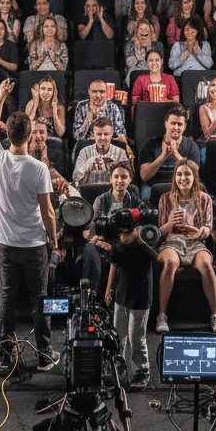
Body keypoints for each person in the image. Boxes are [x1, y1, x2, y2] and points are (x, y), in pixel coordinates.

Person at [0, 79, 58, 370]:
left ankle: (5, 355)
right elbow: (49, 211)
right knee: (40, 301)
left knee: (6, 298)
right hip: (34, 245)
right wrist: (54, 241)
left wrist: (2, 95)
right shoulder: (39, 168)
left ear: (8, 134)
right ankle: (43, 355)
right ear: (30, 136)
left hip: (5, 244)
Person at [155, 159, 216, 334]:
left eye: (187, 174)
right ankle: (162, 315)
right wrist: (171, 223)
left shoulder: (205, 198)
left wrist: (200, 230)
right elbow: (160, 232)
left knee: (207, 264)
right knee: (169, 263)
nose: (183, 178)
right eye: (179, 174)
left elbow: (208, 228)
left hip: (195, 241)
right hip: (173, 240)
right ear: (174, 177)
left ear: (194, 177)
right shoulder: (165, 198)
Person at [106, 212, 155, 390]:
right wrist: (108, 289)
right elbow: (114, 265)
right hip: (121, 296)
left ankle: (142, 371)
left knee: (136, 338)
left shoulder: (142, 242)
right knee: (118, 336)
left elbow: (158, 257)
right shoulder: (118, 244)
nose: (124, 236)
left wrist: (143, 242)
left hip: (140, 298)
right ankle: (118, 370)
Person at [79, 161, 139, 291]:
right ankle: (90, 296)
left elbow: (135, 229)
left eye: (124, 177)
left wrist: (116, 244)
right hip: (101, 241)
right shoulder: (100, 199)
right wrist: (97, 240)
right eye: (116, 176)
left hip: (123, 243)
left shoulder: (134, 201)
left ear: (130, 179)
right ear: (110, 178)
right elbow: (92, 226)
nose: (119, 180)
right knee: (89, 250)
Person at [138, 105, 200, 198]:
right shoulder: (151, 144)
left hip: (181, 185)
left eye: (179, 124)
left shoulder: (191, 145)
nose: (176, 127)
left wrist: (176, 154)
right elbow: (144, 176)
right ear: (166, 123)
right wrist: (163, 156)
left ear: (185, 126)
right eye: (173, 123)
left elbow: (194, 172)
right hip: (153, 186)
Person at [72, 117, 129, 186]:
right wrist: (89, 163)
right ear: (93, 135)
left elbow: (127, 180)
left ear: (111, 134)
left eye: (106, 134)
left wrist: (113, 167)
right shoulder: (84, 151)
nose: (102, 138)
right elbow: (75, 178)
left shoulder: (120, 152)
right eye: (99, 134)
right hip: (89, 189)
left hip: (112, 191)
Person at [73, 79, 127, 144]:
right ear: (89, 92)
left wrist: (100, 140)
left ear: (106, 93)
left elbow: (122, 138)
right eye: (94, 91)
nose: (98, 95)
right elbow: (77, 138)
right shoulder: (81, 106)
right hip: (87, 146)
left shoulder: (113, 108)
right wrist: (88, 120)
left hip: (109, 146)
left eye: (102, 92)